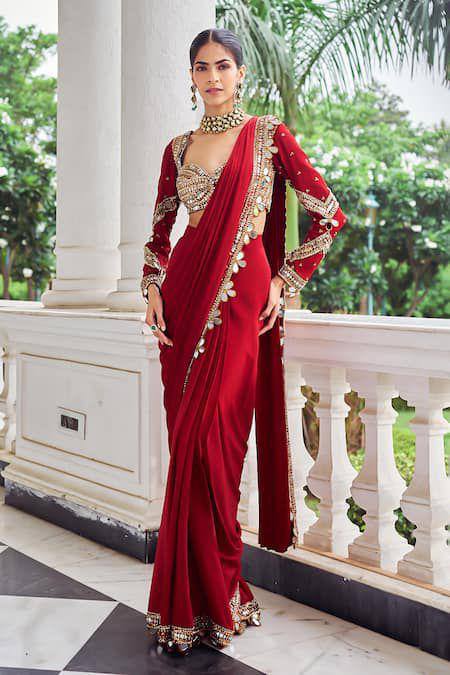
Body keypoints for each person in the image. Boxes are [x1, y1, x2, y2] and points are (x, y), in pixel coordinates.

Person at [141, 28, 347, 656]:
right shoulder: (177, 149)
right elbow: (159, 233)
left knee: (216, 449)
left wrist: (286, 279)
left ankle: (219, 591)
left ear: (241, 73)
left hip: (241, 300)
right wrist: (152, 285)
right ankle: (195, 604)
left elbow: (328, 213)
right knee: (188, 450)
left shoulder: (268, 136)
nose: (212, 77)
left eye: (223, 66)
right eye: (202, 67)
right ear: (191, 75)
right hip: (183, 304)